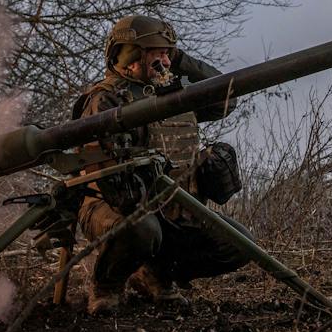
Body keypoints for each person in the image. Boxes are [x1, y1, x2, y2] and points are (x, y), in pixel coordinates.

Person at [73, 16, 250, 315]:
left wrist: (180, 59)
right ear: (130, 56)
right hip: (115, 209)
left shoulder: (174, 94)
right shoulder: (105, 100)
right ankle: (107, 287)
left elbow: (226, 97)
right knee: (142, 228)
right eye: (157, 53)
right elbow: (105, 177)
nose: (165, 61)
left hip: (173, 207)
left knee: (238, 243)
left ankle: (156, 275)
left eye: (169, 53)